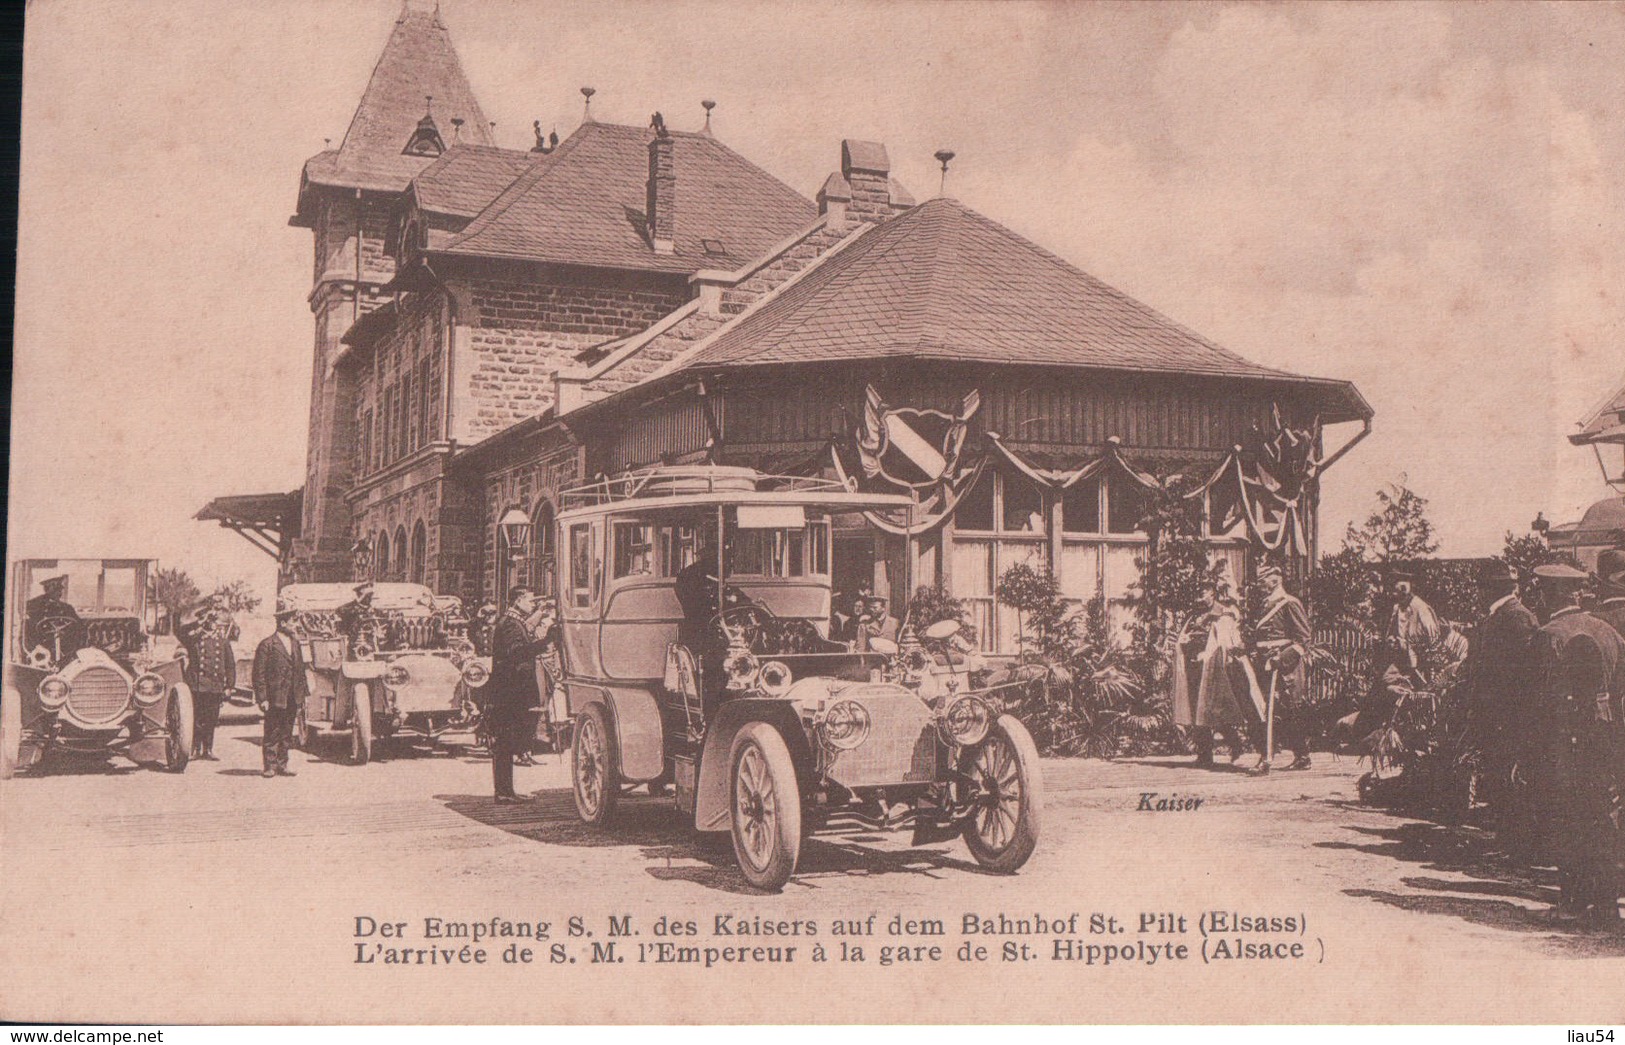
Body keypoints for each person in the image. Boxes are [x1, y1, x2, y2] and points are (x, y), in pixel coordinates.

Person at [1528, 563, 1624, 926]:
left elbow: (1538, 703)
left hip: (1564, 745)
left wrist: (1529, 754)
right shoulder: (1609, 632)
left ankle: (1571, 903)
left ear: (1548, 594)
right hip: (1607, 742)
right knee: (1601, 821)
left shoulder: (1549, 635)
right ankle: (1604, 903)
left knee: (1565, 821)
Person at [1461, 561, 1540, 837]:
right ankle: (1506, 838)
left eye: (1481, 588)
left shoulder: (1516, 618)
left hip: (1506, 718)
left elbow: (1519, 677)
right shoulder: (1502, 616)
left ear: (1491, 589)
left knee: (1507, 778)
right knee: (1497, 776)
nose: (1478, 594)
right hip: (1496, 717)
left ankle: (1513, 841)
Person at [1172, 563, 1260, 766]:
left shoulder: (1223, 613)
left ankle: (1235, 745)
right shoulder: (1195, 614)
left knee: (1215, 710)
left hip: (1214, 666)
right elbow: (1187, 634)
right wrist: (1184, 642)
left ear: (1212, 592)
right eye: (1198, 591)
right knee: (1197, 710)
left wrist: (1208, 653)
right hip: (1193, 666)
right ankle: (1204, 754)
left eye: (1202, 591)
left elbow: (1225, 639)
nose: (1199, 595)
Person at [488, 586, 551, 803]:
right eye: (530, 601)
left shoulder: (512, 621)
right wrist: (544, 643)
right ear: (518, 600)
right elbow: (517, 652)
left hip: (507, 690)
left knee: (506, 741)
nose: (532, 605)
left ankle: (506, 791)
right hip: (509, 691)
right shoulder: (511, 624)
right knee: (505, 741)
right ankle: (504, 793)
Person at [1251, 563, 1313, 774]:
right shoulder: (1266, 604)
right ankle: (1269, 756)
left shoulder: (1290, 603)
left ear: (1275, 580)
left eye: (1263, 580)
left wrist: (1281, 658)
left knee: (1289, 711)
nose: (1260, 585)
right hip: (1266, 664)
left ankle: (1297, 756)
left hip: (1286, 668)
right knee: (1270, 711)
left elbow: (1303, 640)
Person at [177, 596, 239, 760]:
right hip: (197, 685)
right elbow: (180, 632)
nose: (211, 623)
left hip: (214, 686)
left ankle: (208, 749)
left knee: (211, 719)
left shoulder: (222, 640)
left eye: (213, 619)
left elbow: (230, 664)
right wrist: (198, 624)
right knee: (196, 718)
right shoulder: (194, 639)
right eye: (207, 619)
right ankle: (195, 749)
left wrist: (229, 686)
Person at [252, 602, 309, 779]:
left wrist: (302, 696)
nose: (295, 625)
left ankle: (282, 765)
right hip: (275, 697)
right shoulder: (267, 644)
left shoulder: (295, 644)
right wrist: (262, 698)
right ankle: (269, 766)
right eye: (293, 621)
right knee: (272, 732)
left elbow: (300, 671)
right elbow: (258, 674)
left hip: (292, 696)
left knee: (286, 732)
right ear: (283, 623)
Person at [25, 574, 86, 665]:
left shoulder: (66, 608)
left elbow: (79, 625)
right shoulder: (34, 605)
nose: (59, 593)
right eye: (56, 590)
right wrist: (37, 646)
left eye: (60, 590)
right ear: (48, 589)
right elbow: (29, 627)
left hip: (64, 645)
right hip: (42, 645)